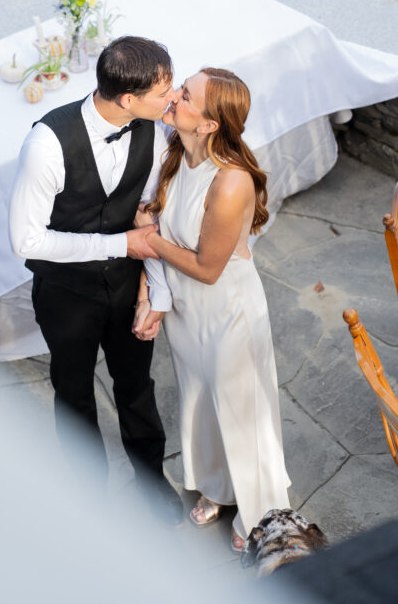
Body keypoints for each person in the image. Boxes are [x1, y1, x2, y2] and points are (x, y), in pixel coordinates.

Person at [9, 35, 181, 524]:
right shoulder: (46, 144)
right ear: (128, 99)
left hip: (129, 287)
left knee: (136, 388)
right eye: (162, 92)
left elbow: (151, 220)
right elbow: (26, 241)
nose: (171, 100)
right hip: (66, 295)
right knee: (74, 393)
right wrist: (119, 244)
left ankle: (151, 483)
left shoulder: (153, 129)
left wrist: (158, 292)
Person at [134, 67, 291, 550]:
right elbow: (152, 217)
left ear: (207, 124)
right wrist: (151, 296)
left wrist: (150, 243)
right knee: (201, 401)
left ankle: (261, 514)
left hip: (227, 313)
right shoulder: (175, 151)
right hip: (187, 312)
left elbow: (206, 267)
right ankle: (221, 488)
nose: (173, 97)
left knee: (242, 412)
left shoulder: (230, 183)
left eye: (184, 96)